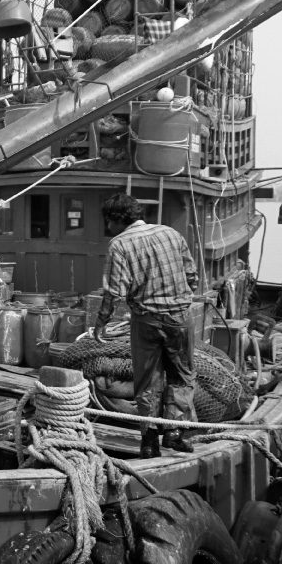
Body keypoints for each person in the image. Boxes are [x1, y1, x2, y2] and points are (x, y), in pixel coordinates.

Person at [93, 192, 198, 456]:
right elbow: (191, 276)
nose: (108, 229)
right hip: (180, 318)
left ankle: (150, 440)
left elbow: (114, 292)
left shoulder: (119, 245)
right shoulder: (171, 234)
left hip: (146, 321)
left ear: (116, 219)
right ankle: (175, 432)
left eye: (108, 222)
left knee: (148, 381)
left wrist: (101, 323)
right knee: (182, 376)